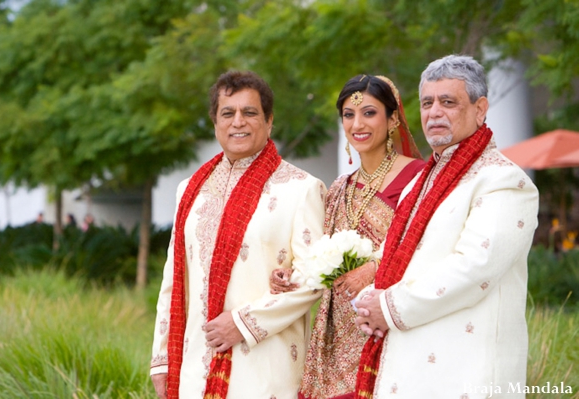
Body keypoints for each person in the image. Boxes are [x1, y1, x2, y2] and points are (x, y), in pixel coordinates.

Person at [353, 55, 539, 398]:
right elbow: (397, 253)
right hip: (407, 368)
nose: (434, 112)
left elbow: (473, 268)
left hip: (466, 374)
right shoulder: (420, 183)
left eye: (448, 102)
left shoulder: (503, 181)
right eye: (427, 102)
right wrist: (367, 292)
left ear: (480, 108)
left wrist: (389, 307)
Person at [150, 70, 327, 399]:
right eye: (227, 113)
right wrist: (161, 359)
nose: (238, 122)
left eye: (250, 113)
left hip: (264, 365)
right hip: (193, 366)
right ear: (215, 122)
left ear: (269, 121)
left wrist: (244, 323)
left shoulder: (301, 189)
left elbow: (313, 279)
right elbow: (173, 279)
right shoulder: (190, 190)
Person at [270, 74, 424, 399]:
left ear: (393, 118)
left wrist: (373, 270)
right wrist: (294, 276)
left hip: (388, 321)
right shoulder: (340, 187)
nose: (358, 124)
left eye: (369, 112)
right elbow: (322, 255)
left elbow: (425, 246)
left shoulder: (416, 177)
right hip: (337, 331)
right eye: (349, 115)